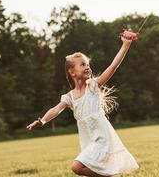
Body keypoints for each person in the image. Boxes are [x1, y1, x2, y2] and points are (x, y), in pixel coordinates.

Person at [26, 30, 139, 177]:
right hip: (89, 140)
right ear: (72, 72)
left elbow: (113, 66)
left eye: (88, 64)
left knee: (77, 167)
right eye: (82, 64)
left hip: (102, 137)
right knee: (83, 169)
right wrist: (42, 121)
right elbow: (56, 109)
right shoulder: (69, 97)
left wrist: (125, 45)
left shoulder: (93, 87)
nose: (87, 67)